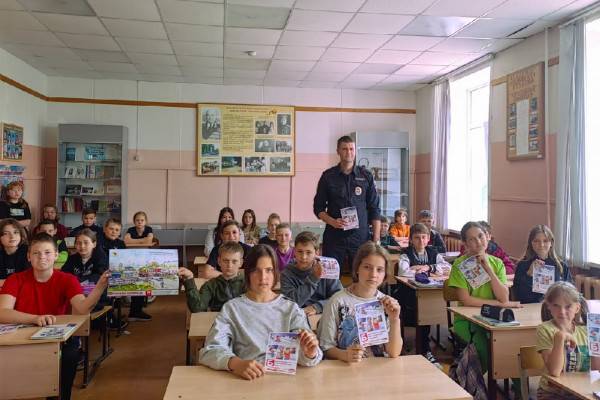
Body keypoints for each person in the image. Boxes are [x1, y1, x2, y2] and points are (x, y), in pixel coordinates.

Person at [0, 232, 110, 400]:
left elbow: (81, 308)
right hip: (23, 335)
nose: (42, 257)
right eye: (36, 253)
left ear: (56, 255)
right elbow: (3, 312)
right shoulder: (15, 279)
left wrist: (100, 287)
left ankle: (61, 396)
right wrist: (34, 319)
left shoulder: (68, 279)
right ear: (29, 256)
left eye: (47, 252)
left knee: (70, 354)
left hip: (58, 337)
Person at [198, 244, 322, 379]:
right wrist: (235, 363)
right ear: (247, 273)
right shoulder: (232, 309)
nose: (263, 277)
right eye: (256, 270)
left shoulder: (291, 309)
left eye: (269, 270)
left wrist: (310, 352)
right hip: (247, 381)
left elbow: (310, 357)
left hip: (284, 382)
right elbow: (209, 351)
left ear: (276, 273)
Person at [447, 221, 521, 372]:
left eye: (480, 236)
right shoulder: (459, 265)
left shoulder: (497, 263)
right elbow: (466, 300)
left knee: (513, 349)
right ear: (465, 244)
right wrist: (499, 304)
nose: (478, 242)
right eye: (472, 239)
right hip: (467, 319)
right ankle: (481, 389)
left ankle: (519, 393)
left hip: (494, 317)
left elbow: (504, 298)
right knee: (484, 348)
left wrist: (488, 268)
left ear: (487, 237)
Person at [318, 241, 402, 362]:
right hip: (345, 369)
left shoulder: (387, 304)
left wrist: (394, 319)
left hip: (377, 370)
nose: (373, 274)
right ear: (357, 268)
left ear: (385, 274)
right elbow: (326, 347)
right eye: (367, 267)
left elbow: (394, 353)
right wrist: (344, 355)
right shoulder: (338, 301)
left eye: (379, 270)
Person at [313, 135, 381, 271]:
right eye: (344, 149)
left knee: (361, 276)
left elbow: (374, 209)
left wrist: (376, 238)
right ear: (338, 151)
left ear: (355, 151)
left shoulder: (366, 176)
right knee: (330, 277)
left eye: (351, 149)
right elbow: (318, 208)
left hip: (360, 238)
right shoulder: (328, 176)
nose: (349, 152)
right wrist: (332, 221)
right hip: (334, 238)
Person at [395, 222, 451, 366]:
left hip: (430, 292)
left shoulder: (433, 252)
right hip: (408, 293)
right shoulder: (405, 254)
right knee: (423, 311)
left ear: (428, 239)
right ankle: (424, 349)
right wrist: (431, 270)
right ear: (411, 240)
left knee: (435, 305)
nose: (421, 241)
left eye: (423, 237)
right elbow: (403, 272)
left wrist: (426, 267)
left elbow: (447, 268)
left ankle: (425, 347)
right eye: (417, 238)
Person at [536, 281, 600, 399]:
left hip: (581, 391)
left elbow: (596, 368)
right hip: (552, 393)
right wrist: (560, 337)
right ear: (549, 306)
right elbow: (554, 371)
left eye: (568, 306)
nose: (562, 311)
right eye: (556, 305)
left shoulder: (586, 331)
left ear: (577, 308)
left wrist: (597, 341)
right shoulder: (545, 329)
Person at [280, 231, 343, 316]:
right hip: (298, 316)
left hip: (325, 314)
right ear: (294, 251)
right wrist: (314, 278)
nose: (303, 257)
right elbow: (290, 303)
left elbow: (339, 298)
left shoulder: (328, 268)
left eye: (308, 252)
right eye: (300, 251)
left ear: (316, 253)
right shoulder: (286, 274)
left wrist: (317, 307)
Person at [179, 241, 245, 312]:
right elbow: (198, 308)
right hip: (220, 321)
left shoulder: (248, 283)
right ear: (219, 261)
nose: (229, 265)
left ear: (241, 263)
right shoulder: (211, 285)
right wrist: (189, 280)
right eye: (225, 261)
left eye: (234, 261)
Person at [514, 225, 572, 304]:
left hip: (555, 307)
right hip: (531, 308)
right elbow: (518, 296)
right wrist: (529, 274)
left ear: (551, 243)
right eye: (536, 241)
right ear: (531, 243)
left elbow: (571, 292)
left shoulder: (561, 266)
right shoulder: (523, 265)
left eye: (545, 241)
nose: (541, 245)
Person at [61, 229, 108, 310]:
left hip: (96, 296)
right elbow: (64, 275)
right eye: (78, 243)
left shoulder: (101, 258)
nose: (82, 246)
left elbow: (99, 277)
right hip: (76, 295)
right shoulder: (72, 258)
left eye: (86, 243)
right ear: (75, 245)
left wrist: (75, 281)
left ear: (94, 244)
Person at [0, 219, 30, 287]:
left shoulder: (28, 251)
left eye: (16, 232)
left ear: (21, 235)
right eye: (6, 233)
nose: (12, 237)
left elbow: (27, 280)